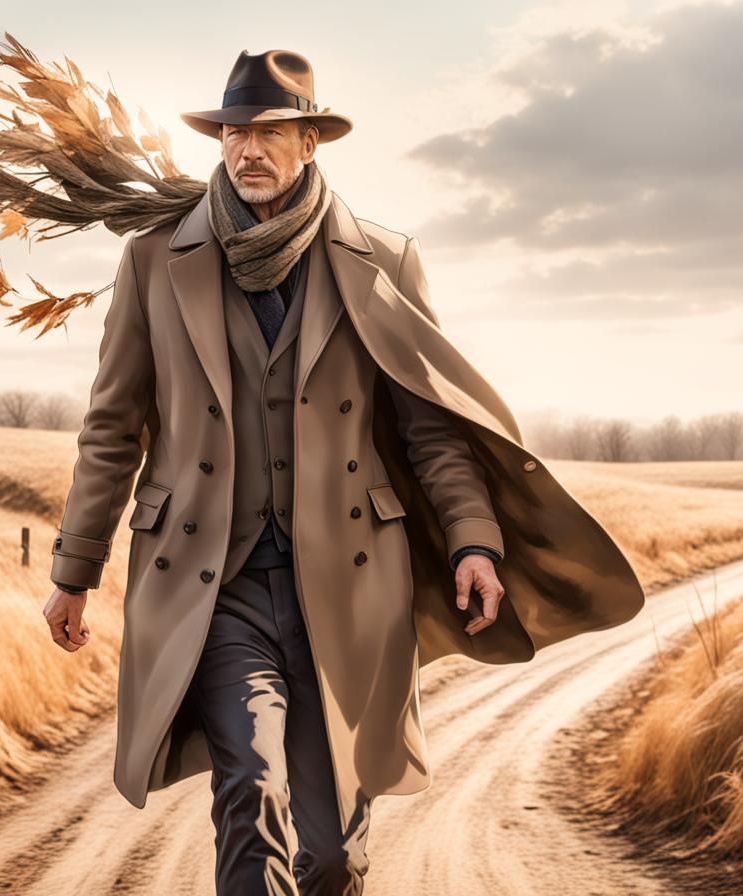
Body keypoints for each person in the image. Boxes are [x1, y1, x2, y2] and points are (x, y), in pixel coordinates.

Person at [43, 47, 643, 896]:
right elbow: (110, 428)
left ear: (311, 142)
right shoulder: (153, 260)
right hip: (213, 588)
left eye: (271, 132)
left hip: (352, 590)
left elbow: (432, 429)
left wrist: (474, 542)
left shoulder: (382, 262)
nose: (249, 149)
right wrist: (75, 570)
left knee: (331, 854)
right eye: (234, 133)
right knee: (250, 794)